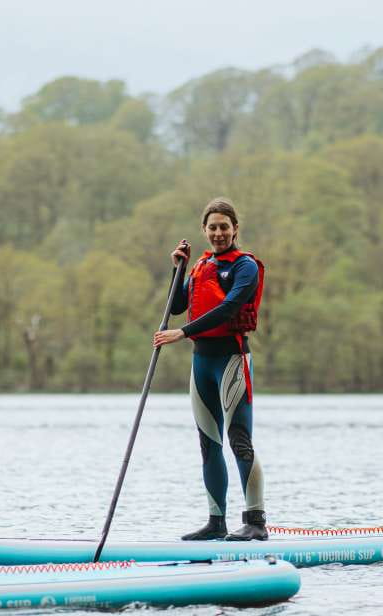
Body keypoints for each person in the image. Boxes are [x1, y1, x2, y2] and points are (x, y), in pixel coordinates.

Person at [154, 197, 268, 541]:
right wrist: (177, 269)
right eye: (212, 227)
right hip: (201, 363)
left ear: (235, 229)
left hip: (231, 360)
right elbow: (176, 306)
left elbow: (230, 307)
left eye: (224, 227)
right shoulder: (200, 266)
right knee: (209, 443)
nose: (219, 233)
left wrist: (183, 333)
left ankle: (256, 523)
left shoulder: (244, 267)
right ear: (204, 230)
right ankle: (216, 522)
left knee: (239, 441)